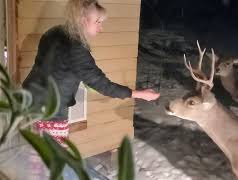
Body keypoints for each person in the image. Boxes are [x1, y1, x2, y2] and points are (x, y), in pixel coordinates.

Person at [22, 0, 160, 144]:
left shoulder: (54, 32)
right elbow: (102, 84)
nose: (101, 28)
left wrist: (84, 78)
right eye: (98, 22)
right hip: (50, 107)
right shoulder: (76, 49)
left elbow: (56, 66)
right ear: (82, 20)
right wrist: (140, 94)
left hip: (31, 97)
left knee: (37, 149)